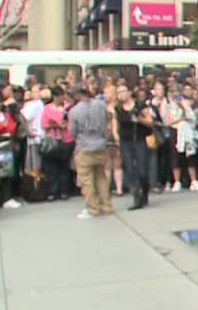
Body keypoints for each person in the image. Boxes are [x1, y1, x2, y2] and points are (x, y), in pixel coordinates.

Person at [69, 86, 112, 218]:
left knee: (86, 180)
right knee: (101, 177)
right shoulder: (101, 105)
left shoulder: (75, 111)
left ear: (76, 96)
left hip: (85, 147)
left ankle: (92, 209)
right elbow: (107, 121)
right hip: (101, 144)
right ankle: (106, 206)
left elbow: (73, 131)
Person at [115, 85, 154, 210]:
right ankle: (136, 196)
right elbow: (116, 124)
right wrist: (117, 137)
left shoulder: (140, 105)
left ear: (129, 92)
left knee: (143, 170)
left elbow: (150, 121)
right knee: (130, 169)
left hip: (140, 140)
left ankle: (145, 191)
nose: (121, 94)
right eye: (119, 92)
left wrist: (139, 120)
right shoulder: (118, 108)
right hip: (125, 141)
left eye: (123, 91)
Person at [0, 94, 20, 209]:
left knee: (7, 173)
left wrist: (3, 127)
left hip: (6, 148)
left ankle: (7, 198)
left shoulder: (5, 115)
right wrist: (3, 127)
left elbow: (12, 127)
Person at [40, 87, 74, 201]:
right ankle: (52, 191)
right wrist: (56, 125)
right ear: (55, 96)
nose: (63, 98)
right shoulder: (46, 109)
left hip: (67, 140)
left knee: (65, 167)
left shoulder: (66, 108)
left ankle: (64, 191)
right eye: (61, 96)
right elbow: (44, 125)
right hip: (53, 140)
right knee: (52, 168)